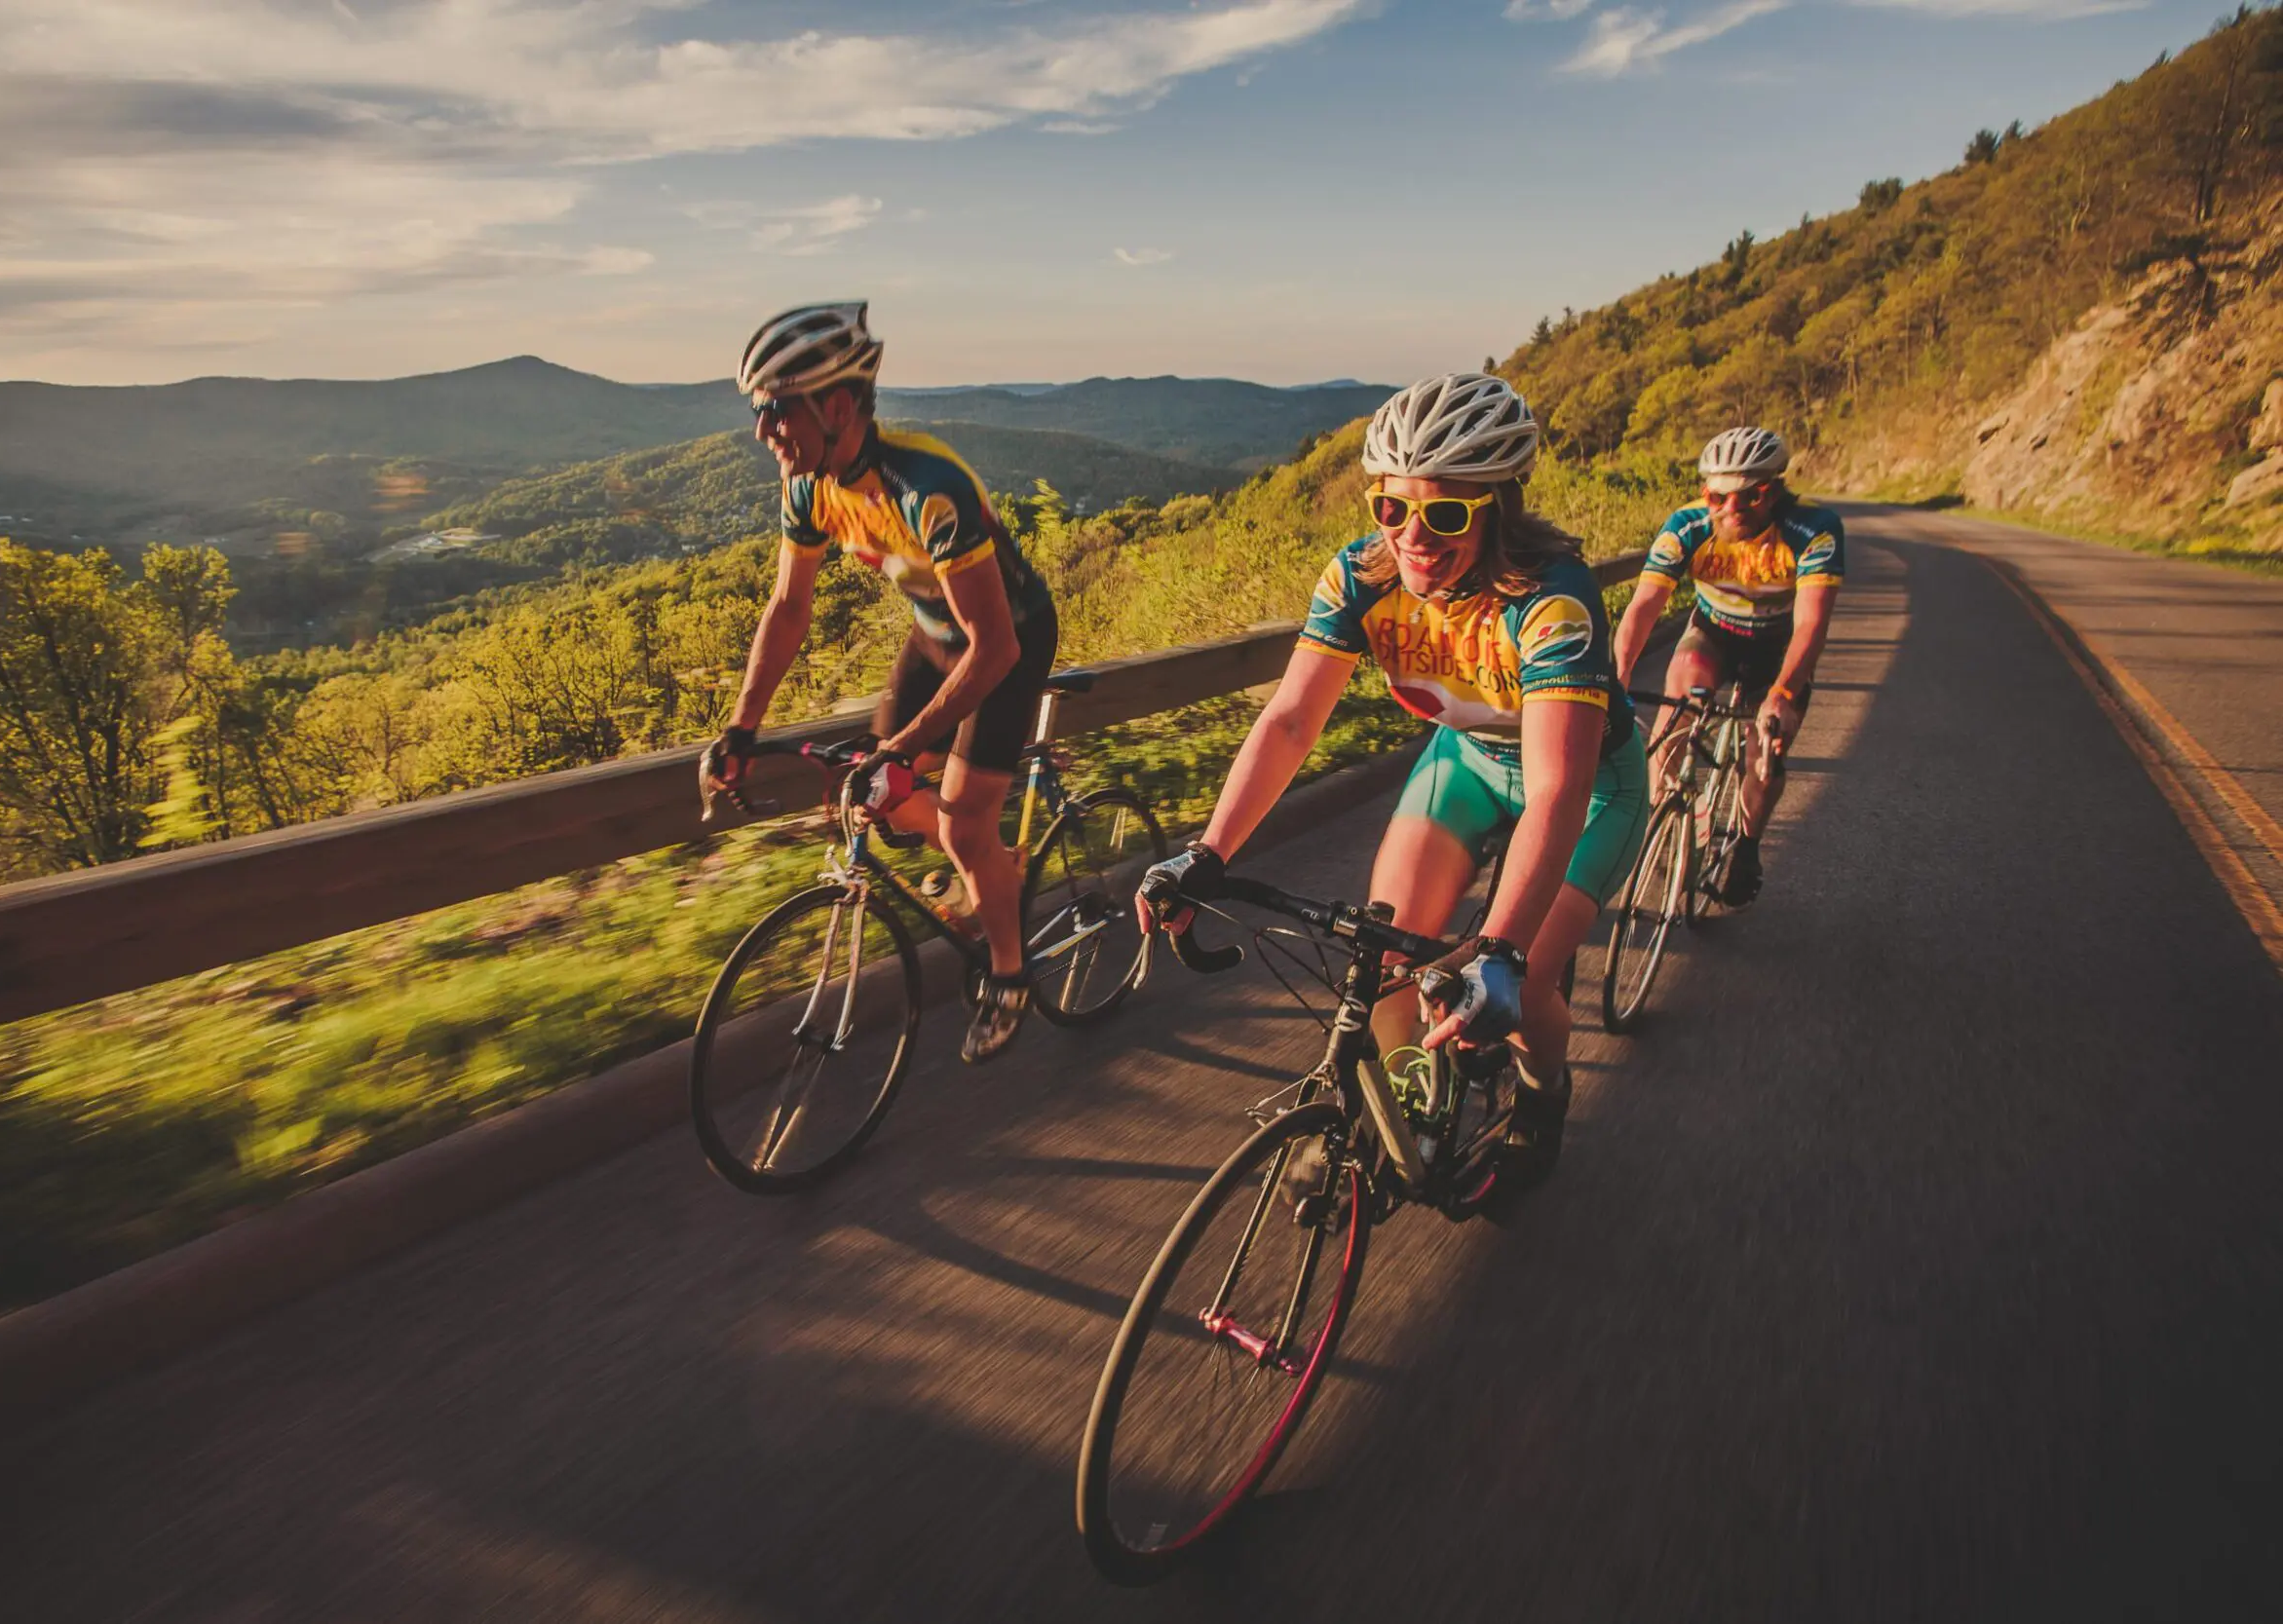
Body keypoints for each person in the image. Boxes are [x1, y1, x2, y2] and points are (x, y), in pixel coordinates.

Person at [1137, 373, 1648, 1175]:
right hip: (1467, 762)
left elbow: (1557, 786)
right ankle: (1401, 1108)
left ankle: (1543, 1088)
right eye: (1392, 506)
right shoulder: (1361, 578)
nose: (1413, 533)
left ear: (1497, 509)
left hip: (1587, 788)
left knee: (1522, 989)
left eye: (1444, 512)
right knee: (1385, 966)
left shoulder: (1552, 601)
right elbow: (1291, 719)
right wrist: (1208, 852)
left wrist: (1502, 950)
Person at [704, 302, 1058, 1063]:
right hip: (936, 637)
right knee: (878, 800)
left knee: (961, 823)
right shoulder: (809, 487)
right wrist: (741, 726)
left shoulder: (928, 489)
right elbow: (789, 607)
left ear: (836, 406)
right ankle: (994, 868)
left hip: (1009, 640)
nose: (762, 431)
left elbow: (993, 648)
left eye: (773, 410)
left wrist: (899, 743)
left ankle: (1009, 971)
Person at [1610, 427, 1845, 906]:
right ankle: (1667, 819)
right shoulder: (1687, 527)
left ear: (1775, 488)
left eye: (1750, 496)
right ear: (1705, 494)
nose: (1731, 510)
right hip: (1713, 635)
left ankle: (1747, 845)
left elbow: (1811, 624)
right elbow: (1643, 607)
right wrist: (1619, 677)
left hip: (1777, 650)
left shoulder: (1812, 530)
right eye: (1718, 497)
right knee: (1674, 721)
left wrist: (1782, 694)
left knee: (1764, 753)